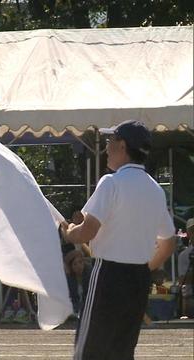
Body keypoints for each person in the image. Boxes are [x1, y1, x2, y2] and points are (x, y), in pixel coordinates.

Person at [62, 120, 176, 360]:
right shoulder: (156, 190)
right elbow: (168, 243)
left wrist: (70, 232)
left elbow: (86, 232)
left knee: (89, 350)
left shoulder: (110, 182)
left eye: (109, 142)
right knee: (122, 351)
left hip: (108, 275)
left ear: (122, 145)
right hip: (138, 279)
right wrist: (144, 268)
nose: (106, 148)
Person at [64, 250, 91, 316]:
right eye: (75, 264)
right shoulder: (69, 278)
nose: (79, 266)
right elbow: (72, 297)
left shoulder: (90, 273)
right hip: (76, 307)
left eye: (80, 262)